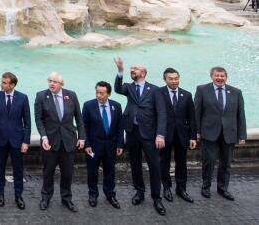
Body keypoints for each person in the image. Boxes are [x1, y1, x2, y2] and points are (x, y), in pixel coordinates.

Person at [113, 57, 167, 215]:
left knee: (154, 166)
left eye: (135, 68)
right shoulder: (129, 87)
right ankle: (139, 192)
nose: (132, 70)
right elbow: (117, 89)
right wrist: (120, 71)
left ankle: (157, 197)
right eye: (131, 69)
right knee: (135, 164)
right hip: (131, 132)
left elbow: (162, 114)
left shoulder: (155, 90)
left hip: (150, 134)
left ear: (143, 73)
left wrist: (160, 135)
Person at [34, 72, 85, 212]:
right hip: (49, 141)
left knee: (67, 173)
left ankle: (66, 198)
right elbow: (38, 120)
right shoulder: (41, 96)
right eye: (49, 80)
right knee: (48, 172)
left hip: (68, 141)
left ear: (61, 84)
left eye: (55, 81)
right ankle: (45, 198)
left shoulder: (71, 95)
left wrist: (82, 137)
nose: (51, 83)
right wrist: (43, 137)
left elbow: (79, 118)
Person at [194, 66, 247, 201]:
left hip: (229, 134)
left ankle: (223, 188)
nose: (219, 78)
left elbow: (241, 115)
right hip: (208, 133)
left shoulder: (236, 92)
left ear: (226, 77)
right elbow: (197, 113)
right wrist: (197, 132)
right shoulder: (202, 90)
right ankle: (205, 187)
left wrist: (242, 135)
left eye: (222, 76)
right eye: (217, 75)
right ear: (211, 76)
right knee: (208, 162)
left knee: (226, 163)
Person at [0, 72, 31, 210]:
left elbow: (27, 122)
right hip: (0, 139)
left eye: (4, 82)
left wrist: (26, 141)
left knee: (18, 170)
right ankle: (0, 193)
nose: (1, 84)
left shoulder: (23, 98)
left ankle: (18, 196)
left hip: (17, 141)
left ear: (12, 85)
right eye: (1, 81)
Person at [157, 68, 197, 203]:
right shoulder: (159, 93)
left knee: (182, 163)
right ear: (165, 79)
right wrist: (158, 135)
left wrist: (193, 137)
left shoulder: (186, 95)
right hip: (165, 135)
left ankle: (181, 189)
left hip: (182, 135)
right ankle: (166, 188)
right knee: (164, 163)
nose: (174, 81)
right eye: (171, 79)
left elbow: (192, 117)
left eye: (176, 78)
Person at [82, 81, 124, 209]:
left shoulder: (116, 106)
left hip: (111, 146)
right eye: (97, 92)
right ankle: (93, 194)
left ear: (108, 94)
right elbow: (84, 127)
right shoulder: (88, 106)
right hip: (93, 146)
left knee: (110, 172)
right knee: (92, 172)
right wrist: (87, 145)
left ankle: (110, 194)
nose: (98, 95)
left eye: (102, 93)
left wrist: (120, 145)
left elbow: (119, 127)